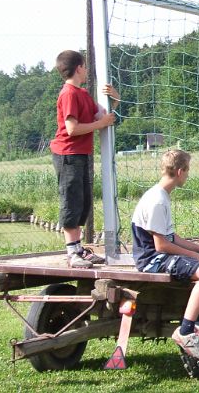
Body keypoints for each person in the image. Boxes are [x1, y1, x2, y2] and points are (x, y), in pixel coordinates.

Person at [131, 149, 199, 361]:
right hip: (151, 260)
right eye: (187, 170)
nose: (188, 175)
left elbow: (171, 237)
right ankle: (185, 331)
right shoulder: (157, 200)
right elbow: (162, 246)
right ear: (179, 171)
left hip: (161, 254)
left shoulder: (162, 196)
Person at [50, 50, 120, 269]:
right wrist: (101, 124)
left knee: (82, 202)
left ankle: (79, 249)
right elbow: (72, 129)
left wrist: (115, 98)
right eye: (85, 66)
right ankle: (72, 252)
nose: (87, 70)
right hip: (68, 154)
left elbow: (103, 115)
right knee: (71, 201)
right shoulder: (69, 93)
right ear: (79, 68)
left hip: (80, 154)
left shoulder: (82, 94)